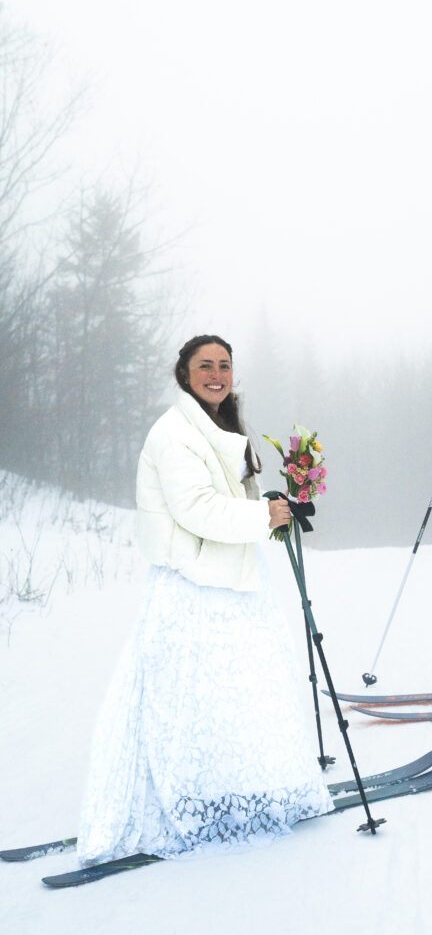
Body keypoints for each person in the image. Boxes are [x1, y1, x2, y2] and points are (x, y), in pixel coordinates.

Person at [77, 334, 333, 866]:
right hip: (193, 588)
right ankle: (185, 805)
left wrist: (274, 502)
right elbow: (196, 510)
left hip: (230, 581)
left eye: (224, 366)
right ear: (185, 374)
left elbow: (228, 499)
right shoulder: (174, 434)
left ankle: (231, 793)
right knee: (191, 706)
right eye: (205, 366)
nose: (216, 374)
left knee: (234, 700)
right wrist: (265, 517)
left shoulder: (220, 425)